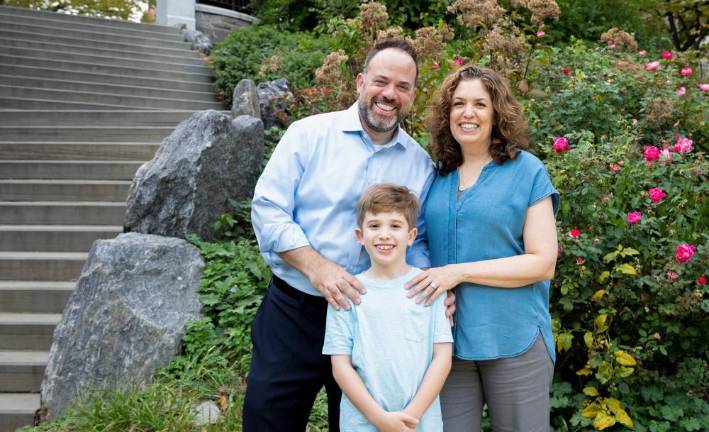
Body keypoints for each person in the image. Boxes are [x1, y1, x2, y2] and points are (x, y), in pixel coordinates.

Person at [245, 38, 438, 431]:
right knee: (268, 418)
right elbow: (268, 209)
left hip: (370, 319)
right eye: (381, 81)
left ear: (413, 95)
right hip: (295, 310)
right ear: (360, 82)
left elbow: (416, 243)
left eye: (402, 87)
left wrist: (429, 287)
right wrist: (317, 267)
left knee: (361, 426)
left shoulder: (420, 165)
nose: (389, 94)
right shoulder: (308, 135)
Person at [405, 64, 559, 432]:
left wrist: (459, 272)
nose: (468, 113)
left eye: (479, 104)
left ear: (497, 113)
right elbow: (418, 240)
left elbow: (543, 263)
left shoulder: (527, 171)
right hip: (447, 344)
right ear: (448, 114)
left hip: (514, 337)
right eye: (458, 104)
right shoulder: (437, 175)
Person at [323, 184, 453, 432]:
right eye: (374, 226)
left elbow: (442, 359)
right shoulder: (348, 292)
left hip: (419, 422)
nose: (384, 234)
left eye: (395, 226)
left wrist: (409, 418)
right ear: (360, 235)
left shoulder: (429, 287)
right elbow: (340, 367)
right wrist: (380, 419)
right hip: (363, 422)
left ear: (411, 235)